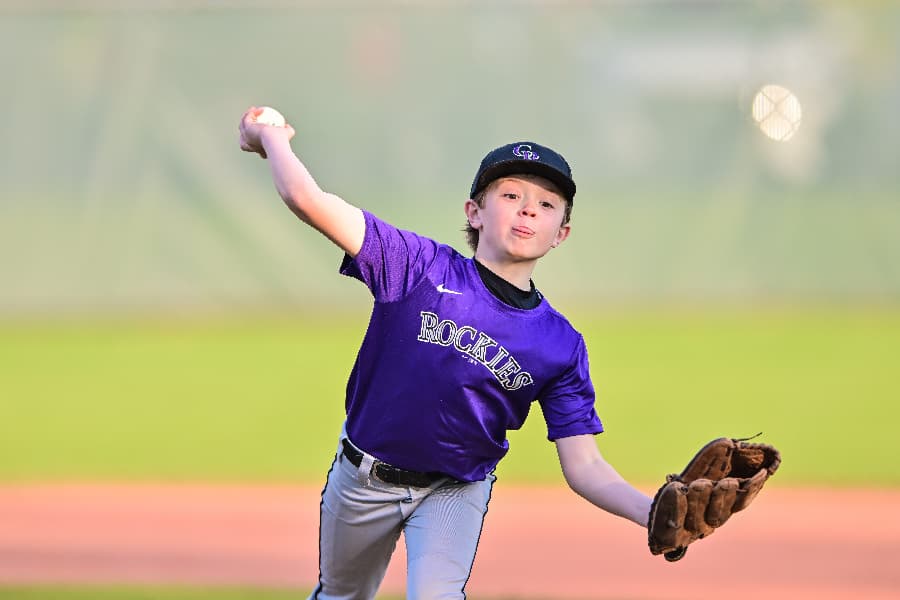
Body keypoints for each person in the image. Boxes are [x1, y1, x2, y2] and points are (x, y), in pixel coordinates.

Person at [238, 106, 653, 600]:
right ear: (473, 212)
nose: (527, 209)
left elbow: (584, 466)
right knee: (341, 596)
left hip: (455, 489)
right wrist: (272, 138)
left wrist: (650, 512)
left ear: (561, 233)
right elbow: (305, 198)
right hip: (364, 476)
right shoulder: (415, 266)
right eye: (511, 194)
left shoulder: (560, 344)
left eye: (546, 204)